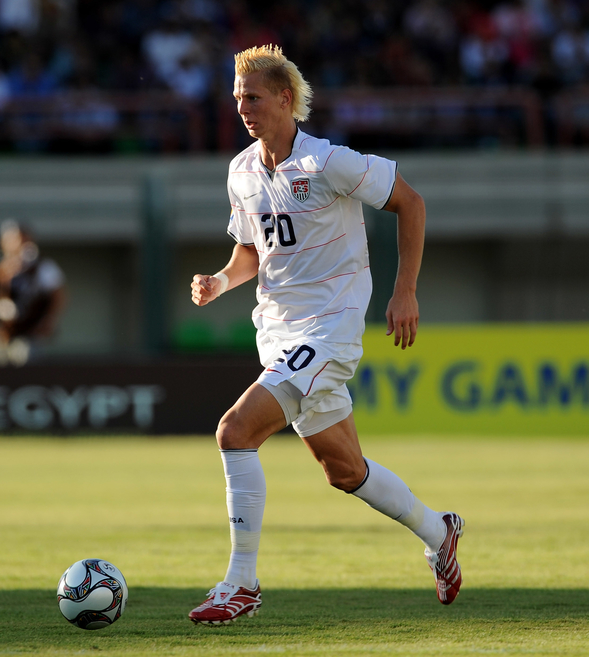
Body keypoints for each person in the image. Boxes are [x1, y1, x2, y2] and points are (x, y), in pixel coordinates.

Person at [187, 45, 464, 626]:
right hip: (279, 330)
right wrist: (219, 280)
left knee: (235, 431)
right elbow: (251, 253)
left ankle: (241, 583)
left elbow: (410, 203)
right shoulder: (241, 171)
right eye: (238, 99)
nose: (244, 109)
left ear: (285, 98)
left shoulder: (327, 162)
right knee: (345, 470)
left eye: (254, 98)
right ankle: (440, 532)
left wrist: (404, 290)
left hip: (330, 328)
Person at [0, 220, 66, 366]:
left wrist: (48, 321)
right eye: (13, 239)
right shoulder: (0, 268)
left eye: (22, 239)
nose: (19, 244)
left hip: (31, 332)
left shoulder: (43, 267)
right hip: (6, 333)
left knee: (27, 366)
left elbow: (59, 295)